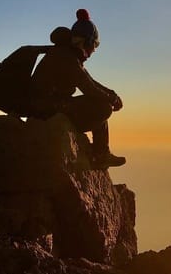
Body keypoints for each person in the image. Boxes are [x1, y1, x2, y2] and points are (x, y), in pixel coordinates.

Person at [30, 9, 125, 168]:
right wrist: (112, 99)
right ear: (86, 42)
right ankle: (101, 155)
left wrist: (112, 94)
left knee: (100, 102)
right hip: (46, 110)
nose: (94, 50)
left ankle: (102, 153)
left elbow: (89, 81)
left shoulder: (66, 54)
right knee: (102, 108)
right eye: (94, 45)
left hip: (48, 105)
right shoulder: (67, 58)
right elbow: (89, 88)